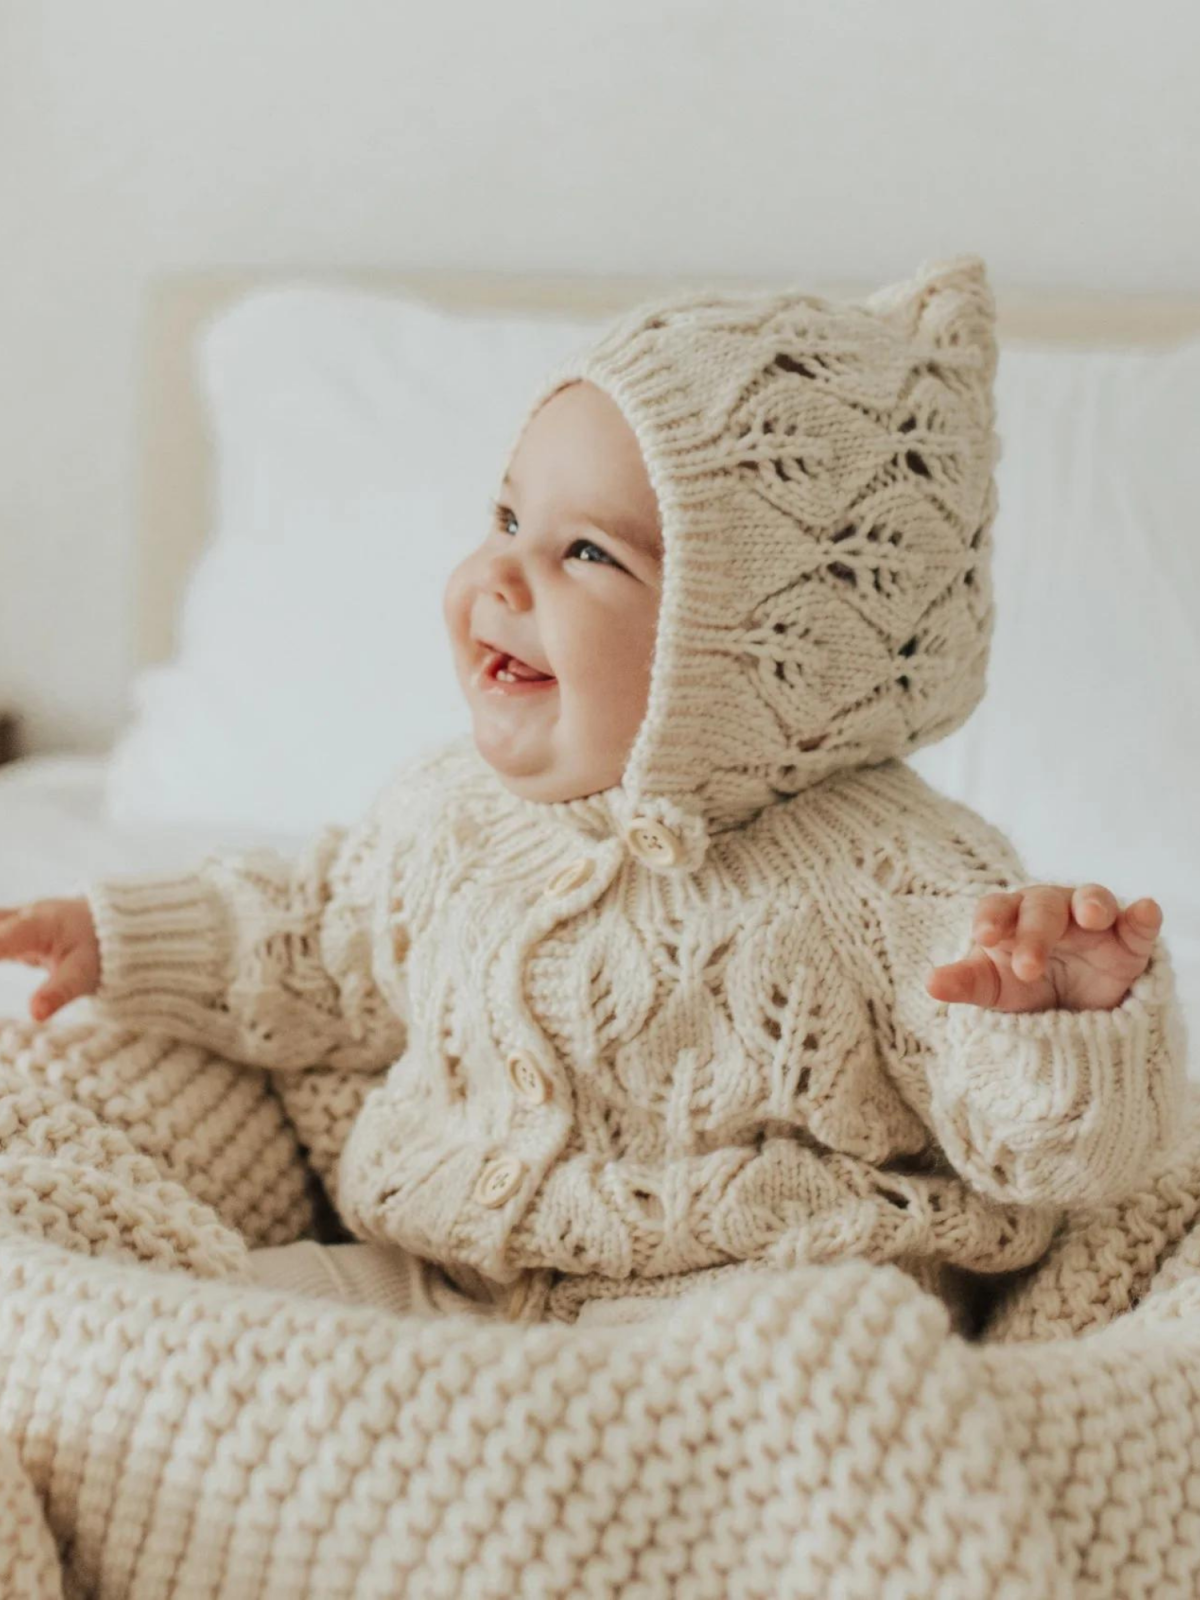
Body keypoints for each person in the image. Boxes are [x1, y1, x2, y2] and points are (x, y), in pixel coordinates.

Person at [0, 255, 1186, 1337]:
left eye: (586, 554)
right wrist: (123, 936)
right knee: (206, 1328)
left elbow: (1043, 1152)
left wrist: (1062, 1024)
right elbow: (319, 941)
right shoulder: (450, 811)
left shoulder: (898, 878)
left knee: (811, 1378)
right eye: (508, 519)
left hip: (738, 1316)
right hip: (442, 1278)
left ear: (762, 652)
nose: (501, 577)